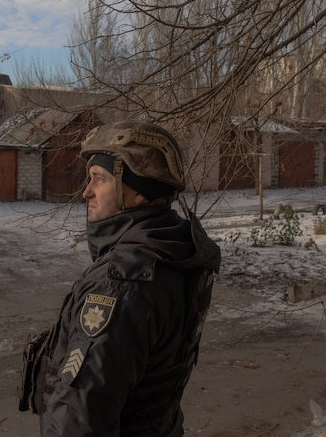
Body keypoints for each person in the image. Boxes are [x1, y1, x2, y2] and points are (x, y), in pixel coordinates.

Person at [19, 120, 221, 436]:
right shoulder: (173, 254)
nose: (86, 192)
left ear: (138, 192)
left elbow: (78, 416)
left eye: (98, 179)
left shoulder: (121, 284)